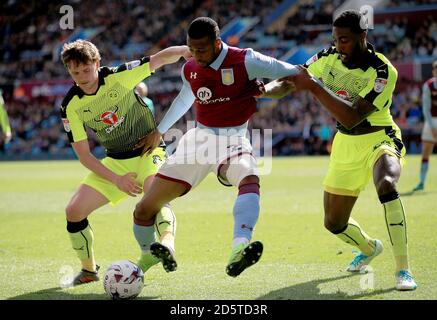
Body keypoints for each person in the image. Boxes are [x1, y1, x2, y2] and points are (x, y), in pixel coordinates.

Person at [132, 17, 298, 277]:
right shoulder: (190, 68)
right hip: (198, 141)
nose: (195, 55)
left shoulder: (246, 60)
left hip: (233, 140)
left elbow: (292, 72)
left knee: (249, 176)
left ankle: (239, 248)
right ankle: (149, 255)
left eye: (201, 50)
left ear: (218, 43)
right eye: (191, 49)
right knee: (144, 209)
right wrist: (160, 130)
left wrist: (267, 90)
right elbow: (185, 97)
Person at [279, 10, 416, 290]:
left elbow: (353, 116)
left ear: (362, 37)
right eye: (336, 39)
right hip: (345, 144)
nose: (339, 46)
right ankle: (368, 248)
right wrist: (260, 89)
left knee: (387, 184)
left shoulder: (383, 71)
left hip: (380, 137)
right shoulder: (327, 57)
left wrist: (314, 88)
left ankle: (403, 270)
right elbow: (292, 81)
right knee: (333, 222)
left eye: (345, 40)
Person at [60, 39, 190, 286]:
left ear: (97, 63)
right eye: (74, 72)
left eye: (86, 70)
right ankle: (88, 270)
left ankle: (166, 244)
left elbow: (158, 59)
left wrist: (185, 51)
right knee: (73, 211)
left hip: (148, 152)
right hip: (116, 162)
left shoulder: (117, 76)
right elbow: (84, 155)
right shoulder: (70, 105)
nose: (82, 77)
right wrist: (116, 179)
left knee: (154, 193)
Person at [412, 60, 437, 192]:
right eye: (435, 70)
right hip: (431, 121)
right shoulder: (428, 85)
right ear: (433, 71)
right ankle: (422, 182)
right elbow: (426, 108)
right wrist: (432, 126)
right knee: (425, 152)